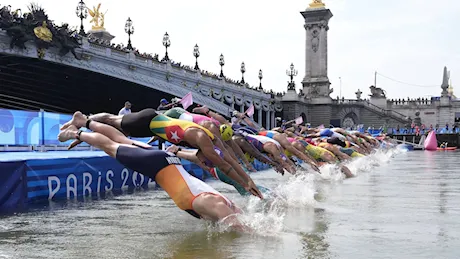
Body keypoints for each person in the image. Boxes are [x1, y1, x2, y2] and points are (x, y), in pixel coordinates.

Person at [57, 120, 247, 230]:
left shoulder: (223, 202)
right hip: (158, 165)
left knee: (120, 141)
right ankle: (77, 133)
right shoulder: (212, 203)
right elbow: (239, 228)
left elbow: (237, 223)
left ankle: (85, 120)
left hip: (167, 159)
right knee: (111, 146)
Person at [60, 110, 263, 199]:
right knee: (116, 126)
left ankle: (83, 125)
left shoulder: (211, 137)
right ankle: (83, 121)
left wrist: (247, 179)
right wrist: (246, 183)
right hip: (149, 123)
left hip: (154, 120)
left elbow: (229, 159)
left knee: (116, 124)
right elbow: (224, 165)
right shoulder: (204, 141)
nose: (202, 161)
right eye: (204, 159)